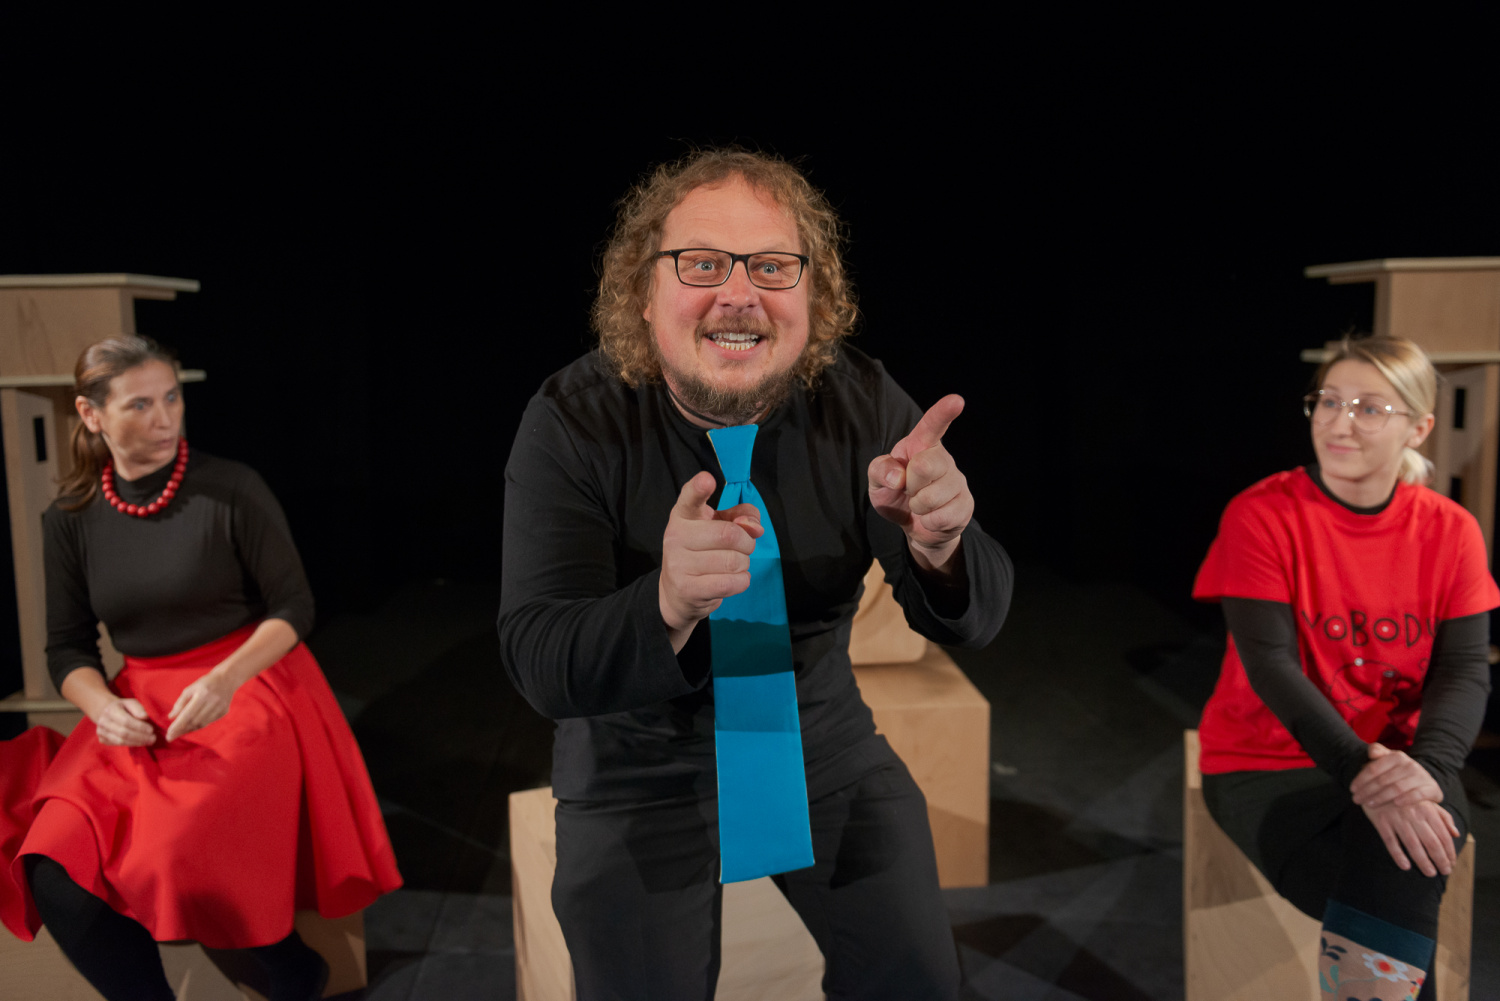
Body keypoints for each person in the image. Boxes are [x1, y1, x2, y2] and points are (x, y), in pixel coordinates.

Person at [497, 148, 1012, 1000]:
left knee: (919, 979)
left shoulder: (862, 400)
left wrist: (941, 545)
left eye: (772, 266)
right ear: (643, 292)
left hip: (817, 740)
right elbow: (539, 659)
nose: (739, 293)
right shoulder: (571, 420)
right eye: (702, 263)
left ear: (814, 296)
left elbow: (980, 617)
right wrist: (664, 603)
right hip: (636, 764)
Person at [0, 336, 402, 1001]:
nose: (164, 419)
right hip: (136, 702)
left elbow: (294, 606)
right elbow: (66, 649)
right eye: (140, 405)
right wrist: (102, 708)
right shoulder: (69, 517)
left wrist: (224, 679)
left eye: (172, 397)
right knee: (54, 871)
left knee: (175, 845)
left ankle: (290, 964)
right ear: (91, 415)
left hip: (247, 681)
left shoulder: (231, 487)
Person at [1193, 335, 1496, 1001]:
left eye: (1369, 407)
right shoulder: (1261, 514)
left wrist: (1430, 769)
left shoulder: (1451, 530)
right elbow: (1271, 664)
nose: (1339, 421)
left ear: (1419, 427)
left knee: (1398, 865)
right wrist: (1360, 768)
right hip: (1269, 763)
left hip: (1410, 763)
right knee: (1397, 881)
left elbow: (1464, 668)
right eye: (1328, 401)